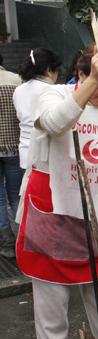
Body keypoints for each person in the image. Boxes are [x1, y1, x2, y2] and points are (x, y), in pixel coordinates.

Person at [16, 44, 98, 339]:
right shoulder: (54, 96)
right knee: (53, 325)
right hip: (50, 219)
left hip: (93, 223)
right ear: (81, 74)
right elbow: (54, 124)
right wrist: (90, 85)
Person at [14, 48, 62, 169]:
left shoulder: (18, 90)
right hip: (45, 154)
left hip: (25, 149)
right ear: (48, 70)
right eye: (57, 70)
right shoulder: (51, 90)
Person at [0, 53, 22, 259]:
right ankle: (21, 239)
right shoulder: (17, 81)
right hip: (14, 147)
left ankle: (7, 243)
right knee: (15, 194)